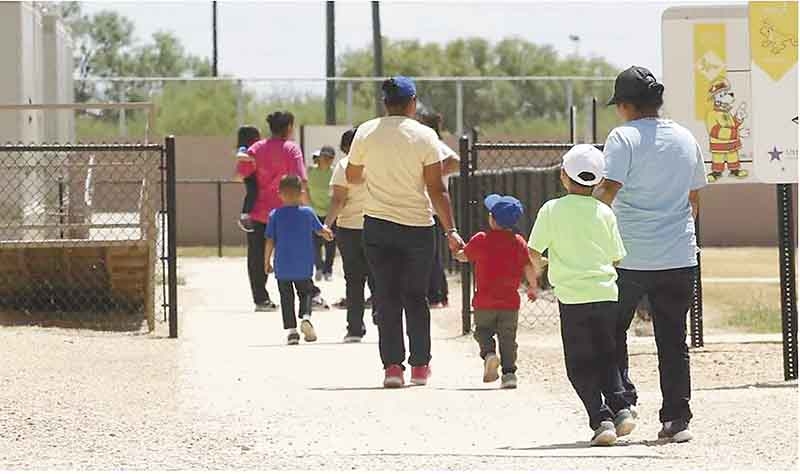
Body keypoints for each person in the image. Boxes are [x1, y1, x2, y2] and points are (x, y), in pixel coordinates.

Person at [594, 66, 707, 443]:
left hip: (627, 255)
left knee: (612, 332)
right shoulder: (685, 138)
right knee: (673, 339)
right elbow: (694, 200)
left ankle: (621, 403)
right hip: (678, 254)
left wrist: (590, 229)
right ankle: (677, 419)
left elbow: (608, 189)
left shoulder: (622, 137)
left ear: (625, 105)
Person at [346, 76, 464, 388]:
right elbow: (437, 189)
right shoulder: (424, 136)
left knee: (385, 296)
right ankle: (420, 366)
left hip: (377, 223)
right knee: (415, 296)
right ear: (412, 103)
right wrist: (451, 229)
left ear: (385, 103)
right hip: (418, 227)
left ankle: (392, 367)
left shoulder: (366, 132)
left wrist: (377, 173)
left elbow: (353, 176)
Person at [528, 144, 634, 446]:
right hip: (605, 293)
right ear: (599, 181)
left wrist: (542, 268)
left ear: (564, 176)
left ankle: (601, 420)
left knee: (579, 363)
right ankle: (622, 408)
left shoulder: (551, 209)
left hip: (572, 297)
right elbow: (617, 256)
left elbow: (533, 251)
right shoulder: (605, 211)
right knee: (607, 356)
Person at [455, 194, 537, 390]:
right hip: (510, 303)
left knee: (482, 332)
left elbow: (463, 256)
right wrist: (533, 287)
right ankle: (509, 374)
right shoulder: (518, 242)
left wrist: (458, 250)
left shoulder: (481, 239)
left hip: (484, 302)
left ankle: (490, 354)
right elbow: (528, 267)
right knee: (508, 339)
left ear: (492, 219)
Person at [239, 111, 308, 312]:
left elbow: (242, 173)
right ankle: (303, 292)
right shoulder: (291, 149)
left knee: (257, 255)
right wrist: (306, 207)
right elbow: (300, 180)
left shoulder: (256, 148)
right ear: (288, 128)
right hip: (287, 211)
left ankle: (260, 299)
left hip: (260, 212)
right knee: (292, 252)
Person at [265, 175, 334, 345]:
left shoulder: (275, 215)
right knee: (306, 293)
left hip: (282, 266)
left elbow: (270, 240)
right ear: (301, 193)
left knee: (286, 298)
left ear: (279, 194)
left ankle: (292, 331)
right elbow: (320, 230)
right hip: (303, 265)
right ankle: (305, 317)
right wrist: (327, 232)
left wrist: (266, 261)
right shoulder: (308, 213)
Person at [325, 128, 379, 342]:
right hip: (377, 224)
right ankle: (382, 316)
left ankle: (355, 328)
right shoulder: (377, 164)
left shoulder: (344, 165)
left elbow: (339, 200)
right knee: (379, 277)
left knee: (354, 279)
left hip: (349, 229)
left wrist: (327, 224)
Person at [418, 112, 460, 308]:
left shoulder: (433, 143)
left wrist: (433, 174)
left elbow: (455, 161)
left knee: (430, 255)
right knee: (431, 254)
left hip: (432, 207)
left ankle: (436, 294)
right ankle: (438, 293)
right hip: (429, 207)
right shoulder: (428, 143)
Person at [308, 146, 338, 282]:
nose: (327, 160)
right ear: (320, 157)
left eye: (330, 158)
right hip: (314, 212)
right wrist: (309, 207)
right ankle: (319, 268)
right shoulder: (310, 171)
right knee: (315, 244)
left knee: (330, 243)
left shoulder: (334, 173)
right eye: (325, 157)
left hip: (330, 213)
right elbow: (305, 189)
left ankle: (328, 270)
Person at [233, 125, 261, 233]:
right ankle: (244, 215)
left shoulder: (256, 147)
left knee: (255, 192)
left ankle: (247, 214)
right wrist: (253, 158)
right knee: (252, 192)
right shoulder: (244, 148)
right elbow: (240, 155)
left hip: (254, 173)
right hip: (250, 175)